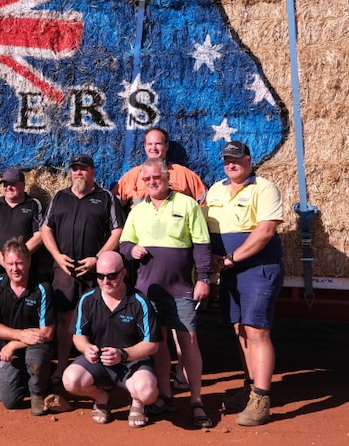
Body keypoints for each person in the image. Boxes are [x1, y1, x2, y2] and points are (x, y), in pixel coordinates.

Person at [119, 158, 214, 428]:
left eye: (156, 177)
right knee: (157, 344)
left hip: (181, 288)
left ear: (166, 177)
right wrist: (131, 250)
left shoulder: (187, 204)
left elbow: (202, 244)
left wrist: (204, 278)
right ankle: (164, 396)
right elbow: (125, 242)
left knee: (189, 342)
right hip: (147, 291)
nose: (152, 182)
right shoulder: (137, 210)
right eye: (146, 179)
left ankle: (196, 400)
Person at [204, 140, 285, 426]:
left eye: (236, 159)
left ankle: (262, 399)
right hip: (229, 270)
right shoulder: (214, 189)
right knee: (239, 328)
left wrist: (230, 258)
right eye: (227, 159)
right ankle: (250, 387)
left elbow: (264, 232)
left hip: (257, 268)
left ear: (249, 160)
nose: (231, 164)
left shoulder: (263, 188)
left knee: (256, 330)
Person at [40, 153, 125, 383]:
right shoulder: (59, 196)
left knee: (96, 319)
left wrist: (98, 259)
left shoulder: (106, 197)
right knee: (66, 318)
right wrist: (57, 257)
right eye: (75, 168)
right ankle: (62, 368)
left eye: (83, 168)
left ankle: (99, 371)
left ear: (93, 171)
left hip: (95, 272)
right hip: (65, 270)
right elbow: (46, 229)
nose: (78, 172)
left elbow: (118, 231)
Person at [63, 251, 159, 428]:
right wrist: (86, 348)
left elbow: (152, 344)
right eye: (100, 276)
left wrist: (124, 354)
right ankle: (101, 398)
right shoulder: (88, 299)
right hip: (98, 362)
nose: (105, 281)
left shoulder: (139, 301)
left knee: (147, 393)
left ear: (123, 273)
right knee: (70, 380)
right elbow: (78, 336)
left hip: (132, 362)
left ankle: (138, 402)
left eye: (111, 276)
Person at [0, 239, 68, 416]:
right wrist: (20, 336)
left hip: (37, 346)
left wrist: (14, 343)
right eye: (10, 264)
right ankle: (27, 379)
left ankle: (39, 391)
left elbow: (47, 332)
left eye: (19, 263)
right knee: (9, 402)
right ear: (4, 263)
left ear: (29, 262)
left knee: (35, 361)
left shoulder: (42, 287)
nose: (14, 269)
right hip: (11, 352)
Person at [114, 127, 208, 208]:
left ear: (166, 146)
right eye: (150, 144)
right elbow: (112, 206)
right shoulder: (132, 176)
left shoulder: (184, 175)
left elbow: (205, 203)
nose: (153, 148)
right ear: (145, 146)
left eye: (158, 144)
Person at [0, 167, 44, 280]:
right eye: (5, 184)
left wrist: (18, 257)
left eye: (12, 184)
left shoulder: (33, 204)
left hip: (23, 268)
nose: (8, 187)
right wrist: (1, 258)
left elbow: (40, 236)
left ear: (23, 185)